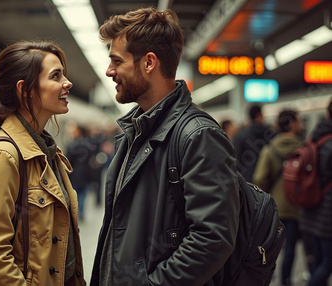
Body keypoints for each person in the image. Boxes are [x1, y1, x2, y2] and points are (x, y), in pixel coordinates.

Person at [90, 8, 240, 285]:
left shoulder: (199, 136)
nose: (109, 71)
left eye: (116, 61)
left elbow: (212, 238)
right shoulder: (134, 133)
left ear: (149, 63)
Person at [0, 41, 85, 285]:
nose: (68, 82)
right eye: (56, 75)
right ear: (25, 90)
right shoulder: (5, 155)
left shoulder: (47, 151)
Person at [253, 109, 304, 286]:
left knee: (270, 247)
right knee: (291, 248)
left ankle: (268, 278)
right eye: (299, 121)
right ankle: (286, 280)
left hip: (274, 208)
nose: (302, 125)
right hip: (296, 206)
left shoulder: (269, 149)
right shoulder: (304, 148)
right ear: (291, 124)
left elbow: (259, 178)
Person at [299, 99, 332, 286]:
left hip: (311, 209)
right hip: (327, 216)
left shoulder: (313, 137)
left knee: (319, 260)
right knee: (328, 263)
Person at [233, 104, 276, 182]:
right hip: (267, 182)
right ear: (259, 115)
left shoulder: (240, 135)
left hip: (247, 182)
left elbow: (235, 162)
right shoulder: (270, 135)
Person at [65, 123, 92, 221]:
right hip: (86, 173)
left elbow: (67, 160)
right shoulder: (89, 145)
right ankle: (81, 212)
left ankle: (77, 212)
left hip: (75, 173)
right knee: (83, 194)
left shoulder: (73, 146)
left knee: (77, 194)